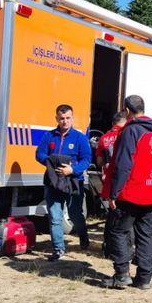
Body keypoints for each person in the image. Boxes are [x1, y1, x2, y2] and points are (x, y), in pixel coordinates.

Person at [104, 95, 152, 289]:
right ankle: (144, 278)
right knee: (145, 235)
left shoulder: (131, 131)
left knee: (119, 231)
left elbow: (123, 164)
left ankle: (122, 274)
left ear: (127, 111)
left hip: (132, 191)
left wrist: (114, 192)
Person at [35, 104, 92, 261]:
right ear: (56, 119)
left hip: (73, 182)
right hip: (52, 183)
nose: (65, 121)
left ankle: (83, 235)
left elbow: (87, 159)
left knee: (75, 215)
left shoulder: (80, 138)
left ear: (72, 118)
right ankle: (58, 249)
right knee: (55, 217)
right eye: (61, 118)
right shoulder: (49, 136)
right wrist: (50, 162)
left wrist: (72, 170)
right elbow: (39, 154)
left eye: (68, 118)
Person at [97, 110, 127, 258]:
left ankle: (107, 245)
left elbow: (99, 161)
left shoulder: (104, 138)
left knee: (112, 215)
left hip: (109, 180)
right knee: (125, 216)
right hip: (124, 181)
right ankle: (123, 248)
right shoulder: (126, 135)